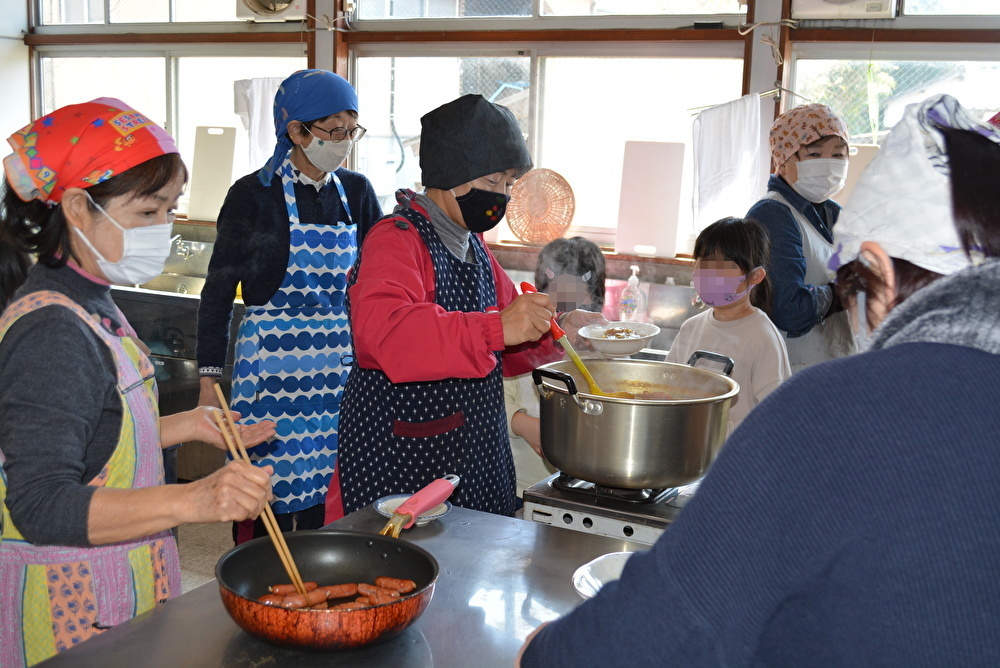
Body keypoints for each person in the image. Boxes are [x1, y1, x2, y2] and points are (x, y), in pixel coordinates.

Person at [518, 94, 1000, 666]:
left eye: (852, 284)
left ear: (883, 270)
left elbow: (675, 617)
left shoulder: (830, 413)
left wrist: (547, 654)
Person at [0, 98, 275, 668]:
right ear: (78, 207)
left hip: (116, 591)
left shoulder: (90, 295)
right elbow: (41, 502)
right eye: (148, 212)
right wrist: (195, 498)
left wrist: (183, 426)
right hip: (67, 613)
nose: (164, 230)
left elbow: (93, 426)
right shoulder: (52, 329)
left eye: (171, 211)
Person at [338, 94, 594, 517]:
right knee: (406, 574)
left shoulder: (472, 243)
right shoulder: (396, 238)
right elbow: (383, 335)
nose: (502, 197)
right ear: (453, 174)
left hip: (476, 449)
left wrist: (563, 329)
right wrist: (496, 328)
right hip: (406, 453)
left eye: (509, 185)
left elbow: (514, 328)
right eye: (494, 183)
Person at [196, 70, 383, 543]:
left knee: (329, 501)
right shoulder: (251, 195)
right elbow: (217, 291)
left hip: (337, 376)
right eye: (333, 131)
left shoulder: (357, 193)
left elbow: (377, 281)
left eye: (350, 130)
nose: (344, 142)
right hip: (271, 379)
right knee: (265, 504)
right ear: (296, 131)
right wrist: (208, 379)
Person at [745, 103, 854, 371]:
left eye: (838, 155)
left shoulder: (834, 213)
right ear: (783, 159)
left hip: (834, 368)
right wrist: (844, 291)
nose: (828, 166)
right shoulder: (773, 215)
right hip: (790, 374)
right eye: (814, 154)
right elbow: (787, 309)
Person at [666, 217, 790, 434]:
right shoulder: (690, 328)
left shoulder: (763, 336)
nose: (707, 274)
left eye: (721, 267)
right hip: (687, 450)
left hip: (737, 457)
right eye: (703, 263)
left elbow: (779, 417)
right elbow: (666, 388)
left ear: (754, 277)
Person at [506, 236, 608, 496]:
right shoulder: (519, 343)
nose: (565, 299)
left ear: (593, 294)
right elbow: (488, 401)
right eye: (556, 290)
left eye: (578, 291)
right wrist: (523, 423)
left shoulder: (607, 353)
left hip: (590, 487)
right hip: (520, 486)